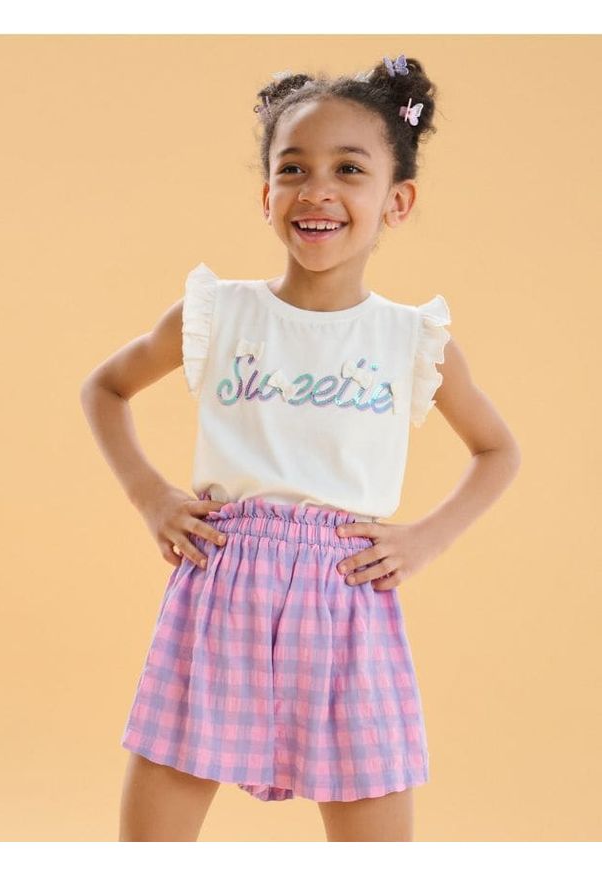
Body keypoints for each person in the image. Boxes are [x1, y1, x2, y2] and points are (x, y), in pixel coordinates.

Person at [80, 53, 521, 842]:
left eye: (349, 169)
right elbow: (104, 388)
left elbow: (498, 450)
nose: (317, 189)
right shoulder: (218, 314)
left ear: (397, 200)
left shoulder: (411, 339)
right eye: (293, 168)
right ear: (267, 196)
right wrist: (150, 494)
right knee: (150, 841)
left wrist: (425, 538)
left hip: (346, 600)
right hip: (221, 586)